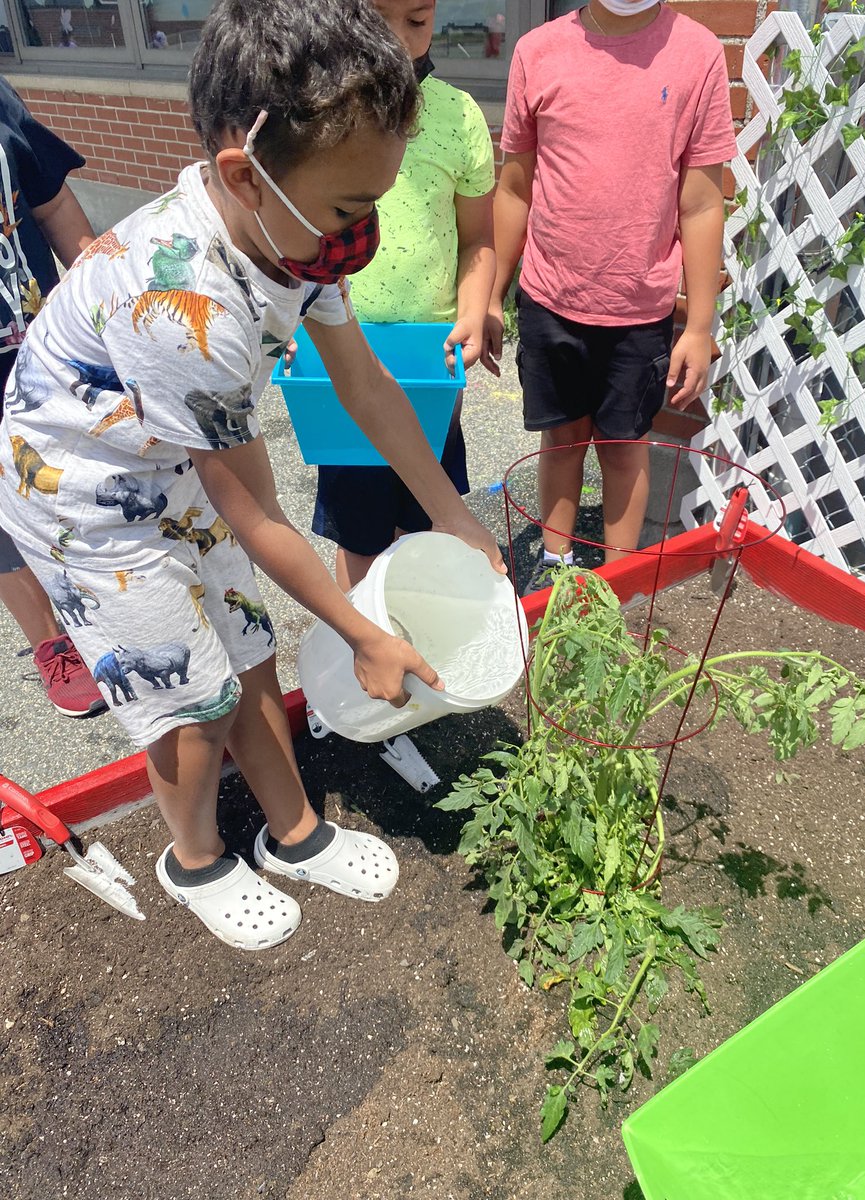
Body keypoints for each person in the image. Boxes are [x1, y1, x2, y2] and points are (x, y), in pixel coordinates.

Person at [0, 0, 503, 950]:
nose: (366, 236)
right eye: (353, 211)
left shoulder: (288, 230)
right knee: (187, 695)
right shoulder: (187, 304)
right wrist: (361, 633)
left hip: (165, 447)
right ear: (246, 171)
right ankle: (190, 858)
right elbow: (256, 508)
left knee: (243, 640)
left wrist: (453, 515)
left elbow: (365, 383)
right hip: (79, 493)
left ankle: (295, 832)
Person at [485, 0, 736, 591]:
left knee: (625, 449)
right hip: (550, 298)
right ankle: (554, 568)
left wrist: (699, 326)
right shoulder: (537, 50)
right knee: (562, 438)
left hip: (640, 309)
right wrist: (493, 293)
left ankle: (618, 585)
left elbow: (701, 203)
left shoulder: (698, 53)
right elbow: (516, 186)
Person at [313, 0, 497, 593]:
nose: (395, 41)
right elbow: (295, 242)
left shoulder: (457, 116)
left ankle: (429, 640)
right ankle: (363, 645)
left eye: (416, 21)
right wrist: (289, 328)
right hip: (342, 353)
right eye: (375, 19)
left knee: (433, 521)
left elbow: (478, 240)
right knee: (359, 529)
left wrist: (474, 309)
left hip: (431, 356)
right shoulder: (317, 115)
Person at [0, 77, 106, 718]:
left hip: (36, 346)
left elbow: (52, 204)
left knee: (71, 482)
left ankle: (105, 613)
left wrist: (107, 304)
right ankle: (52, 643)